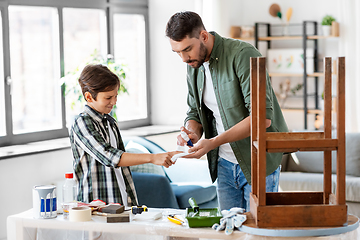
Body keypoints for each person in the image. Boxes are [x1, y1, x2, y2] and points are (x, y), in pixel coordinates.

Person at [166, 11, 288, 212]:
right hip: (223, 164)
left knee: (258, 233)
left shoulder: (243, 54)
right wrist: (192, 132)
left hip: (257, 163)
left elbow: (261, 118)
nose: (183, 59)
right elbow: (194, 113)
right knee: (227, 232)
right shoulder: (193, 65)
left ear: (204, 36)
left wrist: (213, 142)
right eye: (177, 52)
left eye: (187, 49)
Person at [69, 64, 179, 206]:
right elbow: (109, 156)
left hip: (120, 202)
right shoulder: (82, 122)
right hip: (95, 207)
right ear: (89, 97)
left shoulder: (110, 122)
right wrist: (152, 158)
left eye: (115, 96)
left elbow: (121, 166)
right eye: (108, 98)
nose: (114, 102)